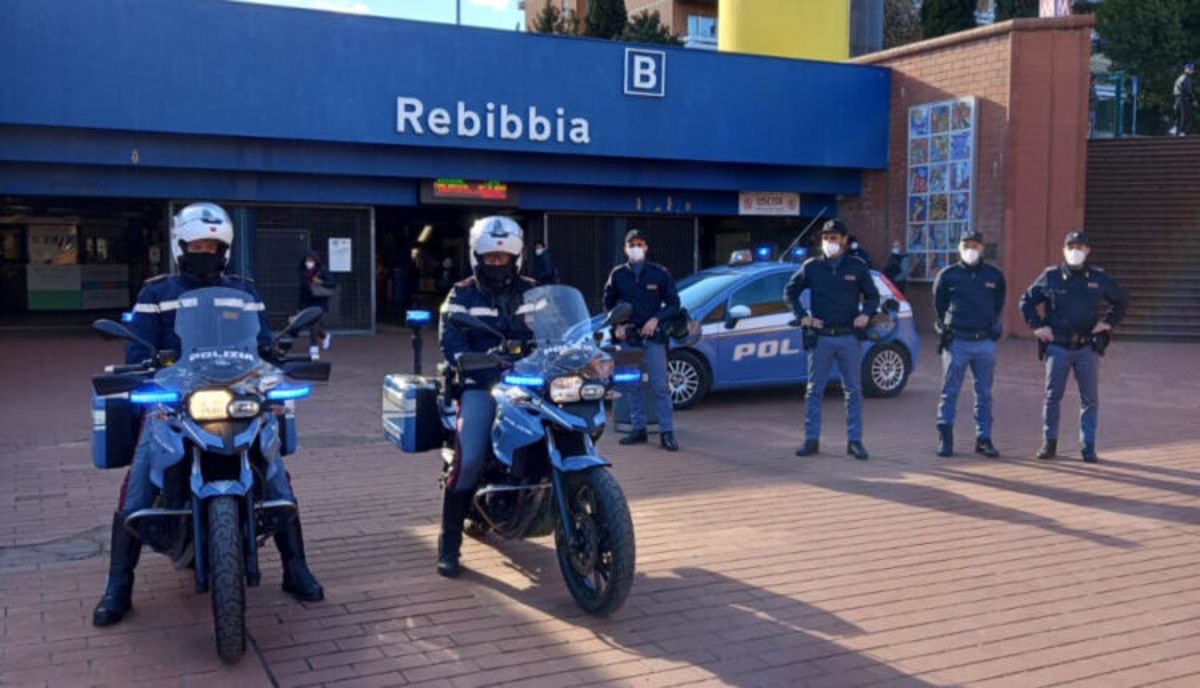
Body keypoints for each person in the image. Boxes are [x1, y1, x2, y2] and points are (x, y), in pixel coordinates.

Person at [93, 203, 323, 628]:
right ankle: (117, 586)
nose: (205, 251)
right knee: (139, 481)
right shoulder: (156, 293)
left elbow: (263, 342)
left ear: (226, 249)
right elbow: (137, 348)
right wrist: (144, 365)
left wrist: (276, 354)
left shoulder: (245, 291)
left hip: (236, 392)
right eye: (197, 244)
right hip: (175, 397)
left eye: (212, 245)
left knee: (274, 470)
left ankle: (296, 568)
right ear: (181, 245)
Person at [436, 215, 535, 578]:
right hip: (481, 384)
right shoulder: (462, 293)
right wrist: (464, 359)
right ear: (478, 258)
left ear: (515, 258)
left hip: (527, 384)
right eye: (491, 258)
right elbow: (449, 337)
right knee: (471, 456)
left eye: (503, 258)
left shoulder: (532, 291)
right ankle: (449, 544)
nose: (497, 264)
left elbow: (557, 327)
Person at [1019, 230, 1129, 462]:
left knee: (1089, 398)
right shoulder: (1051, 276)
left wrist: (1107, 323)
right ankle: (1049, 444)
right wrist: (1038, 326)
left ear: (1087, 251)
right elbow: (1026, 301)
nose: (1075, 251)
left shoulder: (1098, 278)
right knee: (1052, 397)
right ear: (1064, 250)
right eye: (1071, 247)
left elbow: (1121, 301)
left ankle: (1087, 446)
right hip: (1057, 346)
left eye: (1080, 247)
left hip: (1086, 348)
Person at [785, 219, 879, 461]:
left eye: (834, 238)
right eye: (826, 238)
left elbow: (873, 296)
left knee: (853, 391)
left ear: (844, 240)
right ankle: (811, 440)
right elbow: (790, 292)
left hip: (849, 336)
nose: (829, 242)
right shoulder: (812, 267)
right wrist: (803, 317)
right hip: (821, 338)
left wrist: (866, 314)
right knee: (814, 391)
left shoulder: (857, 266)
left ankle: (855, 442)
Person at [603, 229, 682, 452]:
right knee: (632, 385)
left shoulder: (659, 273)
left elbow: (674, 305)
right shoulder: (618, 274)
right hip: (629, 337)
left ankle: (667, 432)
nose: (636, 247)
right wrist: (616, 325)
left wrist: (657, 319)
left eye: (640, 243)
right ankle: (638, 429)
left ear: (646, 247)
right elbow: (608, 304)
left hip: (653, 337)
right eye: (632, 244)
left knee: (659, 385)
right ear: (625, 248)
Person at [932, 232, 1005, 459]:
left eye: (975, 245)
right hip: (957, 342)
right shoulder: (948, 275)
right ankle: (945, 437)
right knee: (949, 391)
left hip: (984, 342)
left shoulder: (994, 275)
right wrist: (948, 328)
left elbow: (998, 304)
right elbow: (939, 304)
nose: (970, 249)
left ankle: (983, 438)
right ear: (959, 248)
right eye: (966, 245)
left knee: (984, 393)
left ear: (982, 248)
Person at [298, 248, 334, 358]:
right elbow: (302, 289)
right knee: (310, 324)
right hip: (307, 301)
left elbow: (332, 283)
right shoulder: (302, 272)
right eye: (307, 260)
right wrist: (300, 305)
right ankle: (324, 336)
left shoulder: (322, 270)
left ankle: (313, 348)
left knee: (314, 324)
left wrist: (321, 282)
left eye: (311, 260)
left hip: (319, 301)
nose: (309, 262)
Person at [1171, 63, 1195, 137]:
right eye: (1190, 69)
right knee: (1185, 115)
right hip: (1183, 98)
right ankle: (1181, 131)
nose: (1192, 70)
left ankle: (1175, 129)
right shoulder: (1185, 78)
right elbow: (1187, 89)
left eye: (1192, 69)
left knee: (1179, 115)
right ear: (1185, 69)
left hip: (1178, 98)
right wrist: (1193, 99)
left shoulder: (1181, 77)